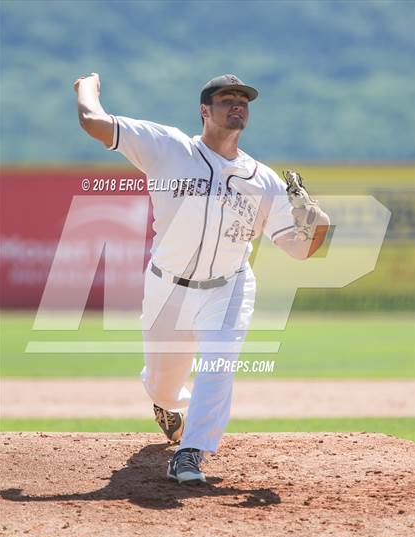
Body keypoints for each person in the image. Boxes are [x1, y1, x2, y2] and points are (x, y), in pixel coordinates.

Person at [74, 73, 329, 484]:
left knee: (218, 363)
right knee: (162, 385)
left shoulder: (264, 180)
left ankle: (191, 452)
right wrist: (86, 87)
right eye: (227, 99)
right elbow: (92, 121)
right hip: (167, 287)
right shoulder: (168, 147)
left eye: (243, 100)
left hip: (229, 286)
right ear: (204, 111)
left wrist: (318, 223)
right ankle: (166, 405)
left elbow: (299, 249)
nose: (238, 105)